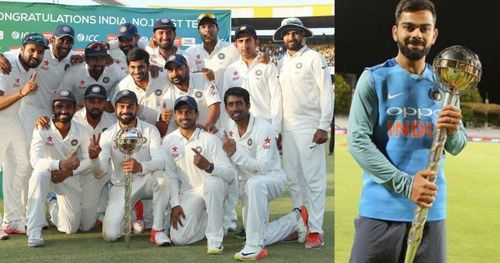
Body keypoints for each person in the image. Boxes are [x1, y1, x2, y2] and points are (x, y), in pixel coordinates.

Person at [347, 0, 467, 262]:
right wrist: (406, 184)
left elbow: (457, 145)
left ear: (434, 35)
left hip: (429, 211)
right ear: (395, 32)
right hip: (381, 211)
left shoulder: (447, 84)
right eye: (409, 27)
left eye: (424, 28)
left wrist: (454, 129)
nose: (416, 34)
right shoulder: (375, 78)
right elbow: (357, 142)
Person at [222, 87, 308, 261]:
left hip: (272, 180)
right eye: (230, 104)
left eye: (239, 103)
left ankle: (253, 247)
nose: (235, 108)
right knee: (259, 233)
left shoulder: (264, 129)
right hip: (248, 185)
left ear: (248, 105)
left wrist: (234, 154)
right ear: (226, 108)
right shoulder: (229, 129)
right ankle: (296, 219)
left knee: (255, 184)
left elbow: (263, 167)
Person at [273, 17, 334, 248]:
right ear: (283, 37)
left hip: (310, 126)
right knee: (294, 181)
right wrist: (278, 130)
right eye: (287, 33)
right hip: (287, 128)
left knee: (314, 181)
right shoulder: (281, 62)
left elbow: (326, 92)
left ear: (303, 34)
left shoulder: (314, 58)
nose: (291, 37)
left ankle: (316, 231)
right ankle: (300, 224)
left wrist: (323, 125)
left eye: (295, 32)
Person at [222, 24, 283, 234]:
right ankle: (249, 224)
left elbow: (276, 99)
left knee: (259, 176)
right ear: (235, 44)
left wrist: (276, 130)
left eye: (248, 40)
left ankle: (257, 226)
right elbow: (226, 102)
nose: (244, 44)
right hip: (239, 130)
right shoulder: (231, 70)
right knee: (243, 177)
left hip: (263, 130)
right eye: (240, 41)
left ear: (256, 42)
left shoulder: (268, 66)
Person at [91, 90, 171, 246]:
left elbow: (161, 162)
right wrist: (94, 159)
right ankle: (134, 212)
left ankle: (158, 230)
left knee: (162, 178)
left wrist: (141, 166)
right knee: (110, 235)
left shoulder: (150, 130)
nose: (126, 110)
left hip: (145, 180)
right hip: (121, 185)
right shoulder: (108, 135)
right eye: (121, 106)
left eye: (130, 106)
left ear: (137, 108)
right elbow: (99, 172)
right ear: (115, 109)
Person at [35, 84, 117, 231]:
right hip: (72, 174)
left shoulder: (113, 121)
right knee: (70, 228)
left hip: (93, 173)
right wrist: (41, 120)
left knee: (86, 226)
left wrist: (68, 171)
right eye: (92, 101)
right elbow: (56, 121)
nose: (96, 105)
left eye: (100, 101)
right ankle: (54, 203)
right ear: (84, 101)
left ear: (105, 103)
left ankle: (99, 212)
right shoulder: (74, 117)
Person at [162, 95, 235, 254]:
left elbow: (230, 175)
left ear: (196, 114)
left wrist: (209, 167)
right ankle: (215, 220)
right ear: (175, 115)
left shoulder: (210, 139)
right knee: (179, 239)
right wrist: (175, 204)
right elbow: (171, 176)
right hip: (189, 193)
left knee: (212, 183)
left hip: (214, 188)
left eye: (188, 112)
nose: (184, 116)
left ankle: (215, 240)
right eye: (180, 112)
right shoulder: (169, 141)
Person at [26, 90, 91, 247]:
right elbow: (35, 160)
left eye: (68, 106)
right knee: (39, 174)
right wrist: (59, 165)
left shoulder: (81, 131)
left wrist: (69, 171)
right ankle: (34, 231)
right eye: (59, 106)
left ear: (75, 109)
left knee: (70, 228)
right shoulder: (43, 127)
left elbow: (88, 160)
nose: (63, 110)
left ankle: (53, 203)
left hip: (68, 176)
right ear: (52, 108)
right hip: (48, 172)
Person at [0, 33, 48, 235]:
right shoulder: (6, 63)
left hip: (13, 120)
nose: (35, 55)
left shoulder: (30, 66)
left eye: (39, 51)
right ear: (22, 48)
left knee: (21, 165)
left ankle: (11, 220)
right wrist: (22, 93)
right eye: (32, 50)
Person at [114, 47, 171, 135]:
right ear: (128, 68)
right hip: (137, 138)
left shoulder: (164, 78)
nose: (137, 71)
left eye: (141, 67)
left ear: (148, 66)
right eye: (132, 67)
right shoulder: (122, 87)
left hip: (166, 135)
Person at [161, 54, 221, 134]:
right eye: (170, 70)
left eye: (179, 69)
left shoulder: (202, 78)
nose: (175, 74)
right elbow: (177, 122)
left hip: (211, 135)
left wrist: (205, 129)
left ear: (187, 68)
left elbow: (215, 107)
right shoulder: (167, 97)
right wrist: (164, 119)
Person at [57, 41, 126, 108]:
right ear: (86, 59)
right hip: (77, 114)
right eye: (94, 59)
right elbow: (61, 97)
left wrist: (111, 104)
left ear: (106, 59)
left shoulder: (114, 70)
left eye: (102, 58)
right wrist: (74, 108)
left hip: (104, 113)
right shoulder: (73, 72)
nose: (99, 63)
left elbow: (128, 83)